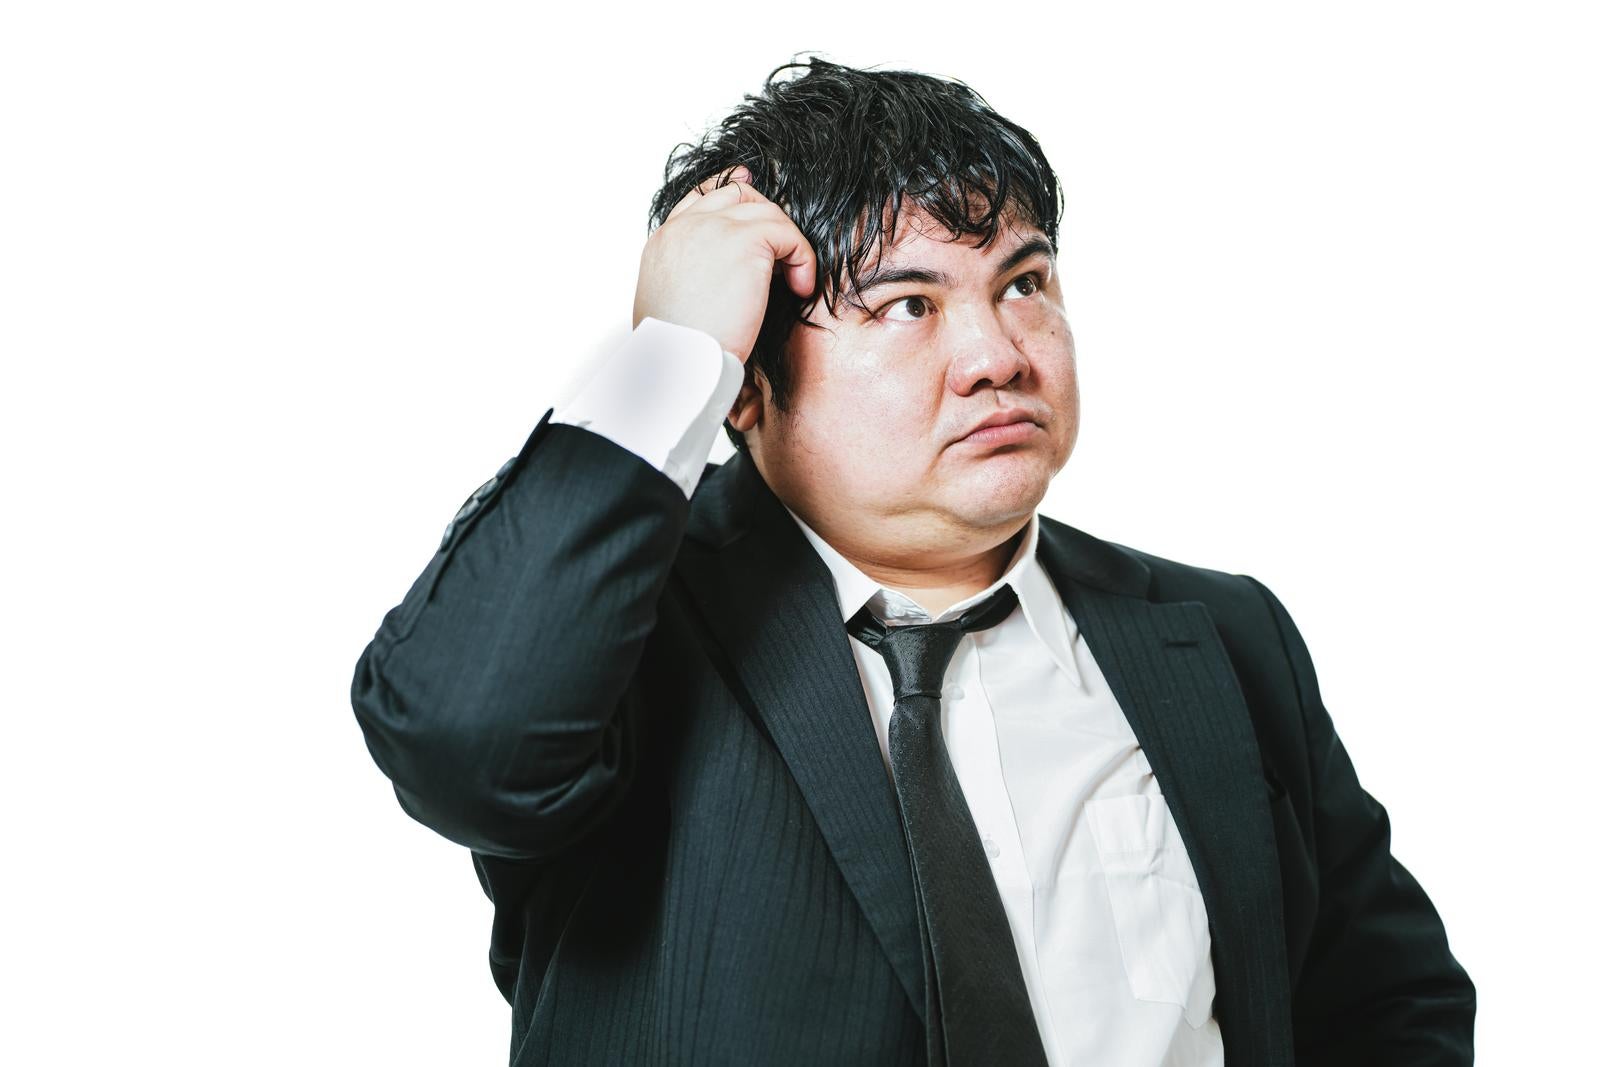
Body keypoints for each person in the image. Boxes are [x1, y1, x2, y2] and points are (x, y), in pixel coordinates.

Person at [350, 57, 1475, 1066]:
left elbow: (1385, 1006)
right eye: (907, 305)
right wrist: (669, 357)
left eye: (1024, 285)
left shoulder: (1219, 634)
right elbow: (461, 732)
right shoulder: (629, 640)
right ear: (747, 378)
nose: (996, 355)